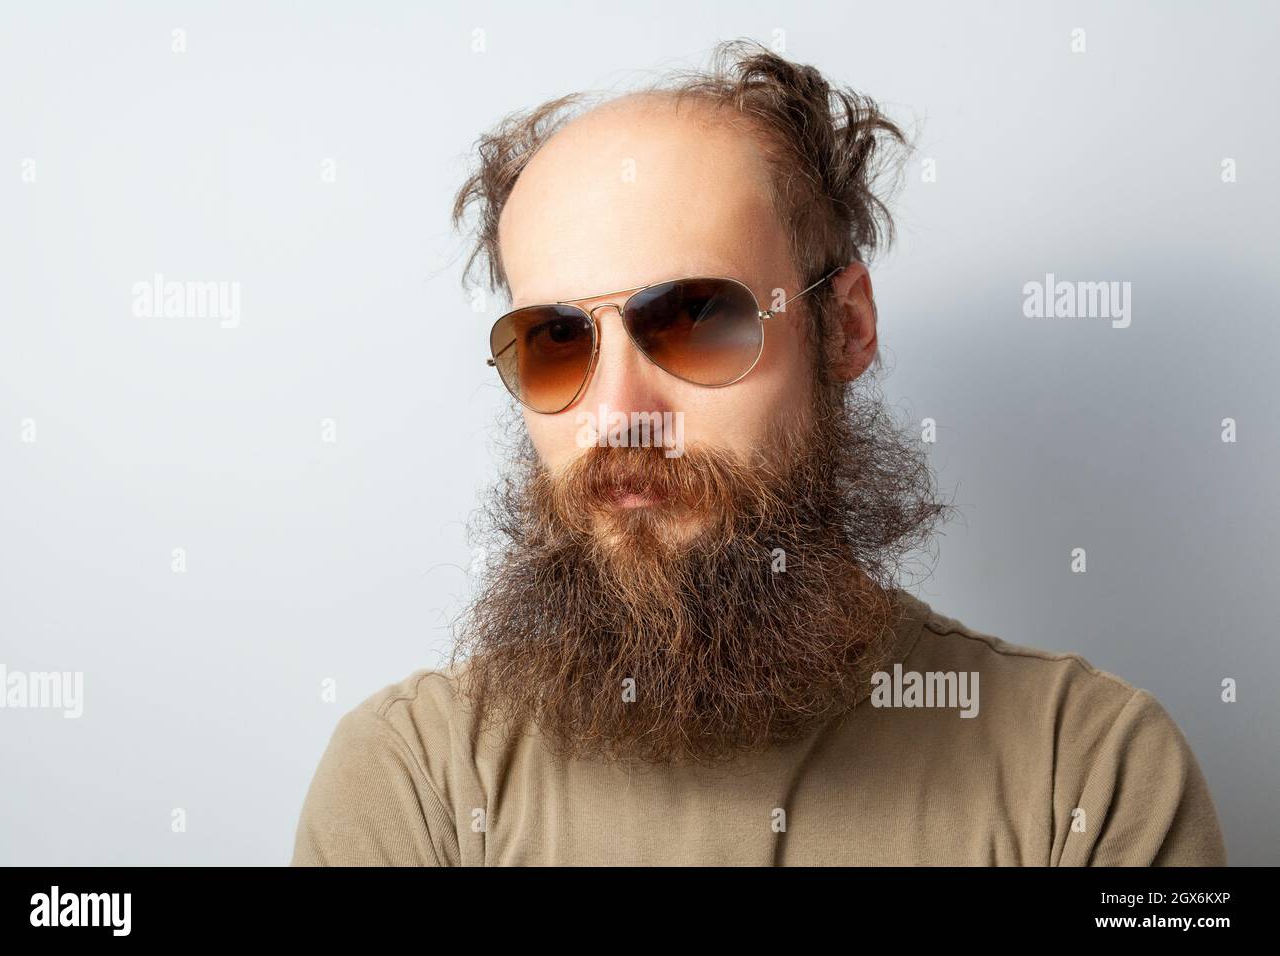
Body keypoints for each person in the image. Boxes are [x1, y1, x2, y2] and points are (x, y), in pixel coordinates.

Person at [291, 39, 1226, 866]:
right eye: (555, 342)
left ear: (845, 326)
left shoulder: (1089, 773)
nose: (620, 418)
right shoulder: (415, 780)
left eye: (698, 322)